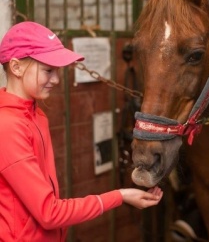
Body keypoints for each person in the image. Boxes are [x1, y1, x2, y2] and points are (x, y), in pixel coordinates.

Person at [0, 21, 163, 242]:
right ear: (16, 67)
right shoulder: (8, 127)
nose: (56, 80)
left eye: (56, 71)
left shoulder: (37, 115)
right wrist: (120, 195)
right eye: (48, 70)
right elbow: (49, 213)